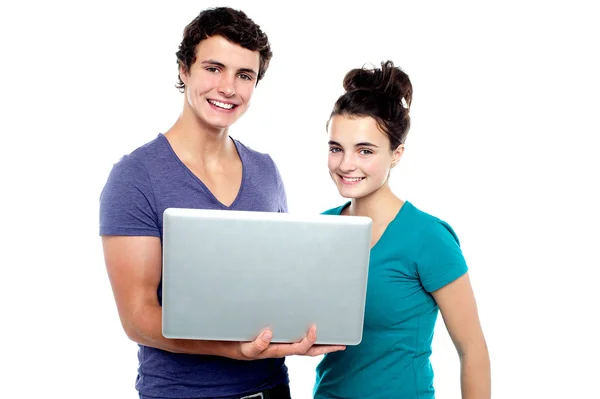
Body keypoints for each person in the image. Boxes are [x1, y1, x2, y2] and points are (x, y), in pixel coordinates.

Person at [99, 7, 343, 399]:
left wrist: (299, 330)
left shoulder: (266, 171)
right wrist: (234, 350)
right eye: (214, 68)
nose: (229, 88)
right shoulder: (135, 176)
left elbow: (276, 285)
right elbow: (138, 317)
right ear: (184, 70)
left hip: (270, 390)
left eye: (244, 75)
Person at [313, 61, 491, 399]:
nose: (345, 164)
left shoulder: (428, 237)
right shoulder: (320, 229)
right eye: (336, 148)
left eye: (365, 151)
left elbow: (473, 351)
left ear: (396, 155)